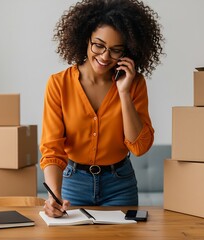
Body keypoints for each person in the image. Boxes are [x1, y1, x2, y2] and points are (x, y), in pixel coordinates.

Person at [40, 0, 164, 218]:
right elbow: (52, 149)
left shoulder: (134, 84)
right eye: (99, 45)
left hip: (120, 185)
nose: (105, 57)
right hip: (73, 183)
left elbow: (139, 147)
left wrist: (124, 93)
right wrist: (54, 196)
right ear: (85, 38)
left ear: (128, 51)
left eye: (116, 50)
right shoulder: (59, 84)